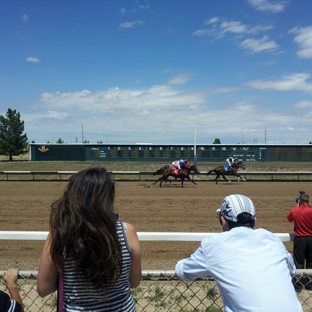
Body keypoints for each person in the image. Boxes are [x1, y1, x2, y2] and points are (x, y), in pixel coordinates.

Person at [37, 167, 142, 311]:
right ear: (109, 198)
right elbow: (134, 282)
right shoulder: (127, 231)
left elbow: (43, 289)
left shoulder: (59, 235)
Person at [175, 194, 302, 312]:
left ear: (223, 221)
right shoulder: (272, 239)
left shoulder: (213, 245)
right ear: (255, 221)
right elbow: (291, 270)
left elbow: (183, 272)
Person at [287, 193, 312, 269]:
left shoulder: (294, 210)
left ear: (299, 201)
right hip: (311, 239)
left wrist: (297, 207)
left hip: (300, 239)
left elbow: (289, 219)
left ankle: (299, 280)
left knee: (298, 262)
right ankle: (309, 280)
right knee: (310, 262)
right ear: (308, 202)